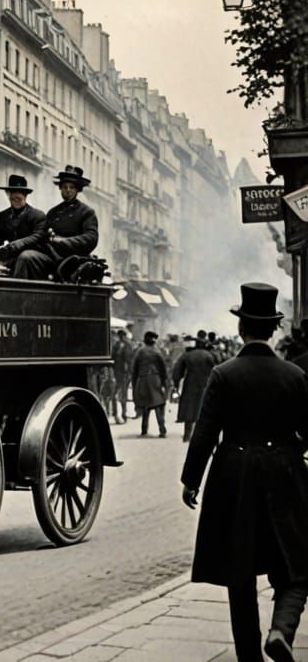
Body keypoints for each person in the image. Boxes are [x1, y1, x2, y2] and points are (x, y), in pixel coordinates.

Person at [181, 282, 308, 662]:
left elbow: (204, 433)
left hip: (232, 476)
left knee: (240, 573)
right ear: (273, 330)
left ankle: (249, 657)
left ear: (242, 329)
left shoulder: (224, 373)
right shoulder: (294, 376)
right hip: (284, 474)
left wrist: (191, 480)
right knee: (297, 563)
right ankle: (281, 630)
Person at [14, 166, 99, 281]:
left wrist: (64, 241)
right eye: (64, 187)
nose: (67, 190)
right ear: (60, 188)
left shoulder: (86, 212)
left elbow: (91, 238)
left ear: (77, 189)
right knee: (26, 257)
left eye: (72, 187)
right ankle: (21, 294)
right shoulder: (53, 213)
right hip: (52, 258)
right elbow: (41, 236)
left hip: (74, 261)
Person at [0, 174, 47, 275]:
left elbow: (35, 239)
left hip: (32, 263)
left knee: (24, 257)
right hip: (10, 260)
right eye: (13, 192)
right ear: (8, 194)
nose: (16, 196)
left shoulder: (38, 216)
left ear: (25, 195)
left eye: (20, 193)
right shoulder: (2, 216)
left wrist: (5, 251)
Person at [172, 333, 219, 442]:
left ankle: (187, 435)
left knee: (190, 409)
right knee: (204, 409)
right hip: (206, 384)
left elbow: (177, 372)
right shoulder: (210, 355)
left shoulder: (188, 355)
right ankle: (201, 436)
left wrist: (176, 384)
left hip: (190, 384)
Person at [131, 330, 169, 437]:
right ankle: (162, 429)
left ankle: (144, 429)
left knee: (146, 405)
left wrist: (134, 383)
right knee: (158, 403)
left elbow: (134, 369)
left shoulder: (139, 352)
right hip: (155, 379)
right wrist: (164, 382)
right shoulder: (157, 352)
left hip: (142, 379)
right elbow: (163, 368)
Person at [109, 329, 134, 424]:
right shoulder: (127, 346)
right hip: (123, 373)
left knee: (116, 394)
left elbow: (112, 360)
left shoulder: (115, 346)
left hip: (117, 372)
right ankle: (122, 414)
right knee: (122, 394)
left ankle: (117, 414)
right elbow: (129, 360)